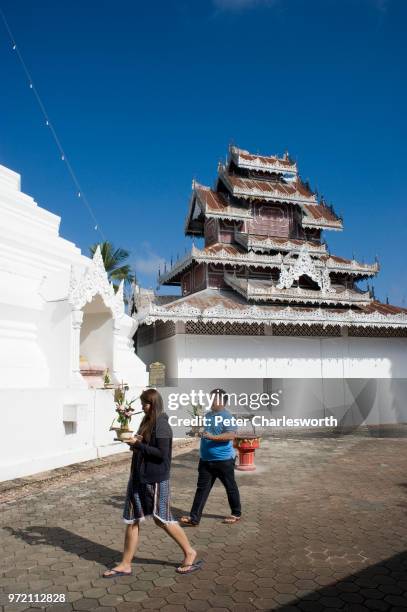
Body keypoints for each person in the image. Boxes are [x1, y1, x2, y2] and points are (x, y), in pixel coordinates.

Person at [103, 388, 202, 577]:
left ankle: (190, 552)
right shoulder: (147, 421)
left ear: (154, 404)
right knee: (132, 519)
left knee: (161, 518)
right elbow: (146, 446)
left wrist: (138, 444)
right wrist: (134, 442)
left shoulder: (162, 425)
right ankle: (125, 564)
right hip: (138, 477)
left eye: (145, 403)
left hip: (155, 479)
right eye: (142, 403)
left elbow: (162, 455)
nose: (142, 406)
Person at [180, 388, 242, 526]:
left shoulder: (227, 417)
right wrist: (194, 431)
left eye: (213, 399)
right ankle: (194, 518)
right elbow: (203, 431)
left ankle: (236, 513)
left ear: (221, 402)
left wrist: (213, 437)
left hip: (223, 460)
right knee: (202, 489)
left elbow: (231, 435)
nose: (211, 401)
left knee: (230, 487)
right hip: (206, 459)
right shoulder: (208, 415)